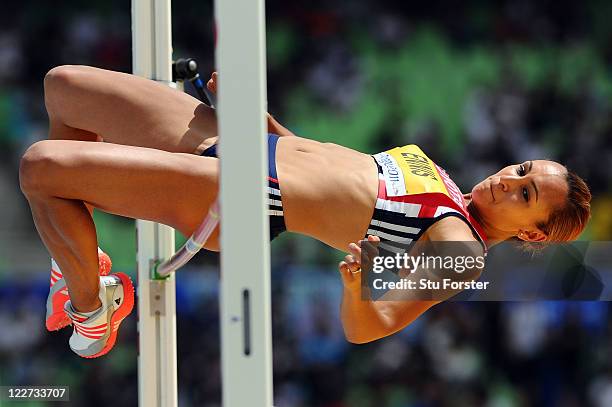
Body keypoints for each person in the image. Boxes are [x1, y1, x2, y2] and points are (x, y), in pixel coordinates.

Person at [19, 65, 591, 358]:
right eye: (521, 172)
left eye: (524, 196)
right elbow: (328, 163)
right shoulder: (443, 179)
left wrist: (354, 284)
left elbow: (374, 326)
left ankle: (93, 310)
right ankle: (77, 264)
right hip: (248, 146)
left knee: (40, 168)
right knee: (64, 88)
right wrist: (264, 121)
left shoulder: (462, 249)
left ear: (534, 234)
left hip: (246, 196)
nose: (507, 183)